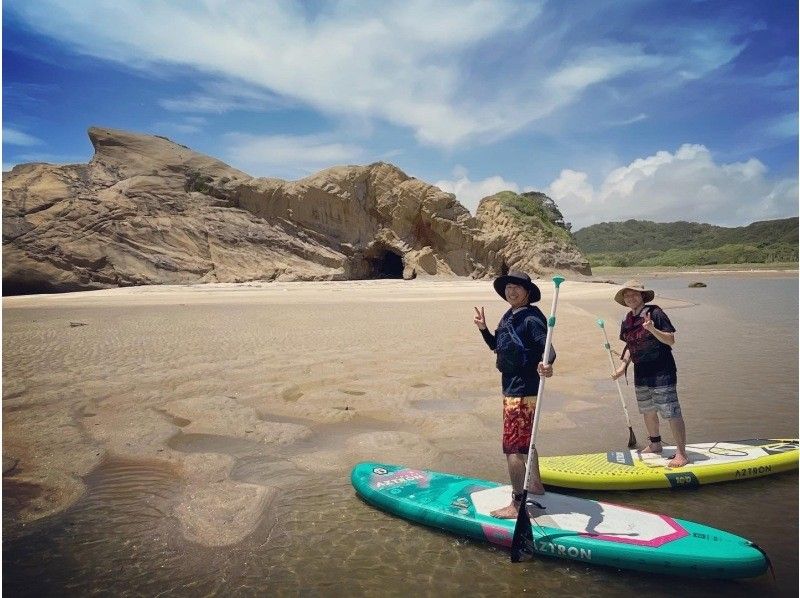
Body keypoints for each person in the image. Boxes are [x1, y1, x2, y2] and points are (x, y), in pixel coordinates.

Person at [473, 271, 554, 519]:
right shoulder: (511, 315)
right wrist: (484, 329)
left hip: (522, 389)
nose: (511, 291)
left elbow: (548, 349)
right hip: (513, 385)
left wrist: (547, 365)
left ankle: (518, 504)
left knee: (513, 449)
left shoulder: (531, 319)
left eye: (517, 287)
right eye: (508, 287)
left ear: (527, 292)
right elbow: (497, 346)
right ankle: (537, 485)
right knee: (525, 442)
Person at [610, 280, 689, 467]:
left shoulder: (656, 313)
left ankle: (682, 454)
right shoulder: (627, 319)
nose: (631, 298)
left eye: (634, 294)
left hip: (662, 370)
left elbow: (671, 340)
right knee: (648, 410)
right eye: (627, 295)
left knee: (671, 411)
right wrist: (623, 367)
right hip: (641, 373)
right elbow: (630, 345)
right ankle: (655, 444)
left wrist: (652, 329)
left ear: (642, 296)